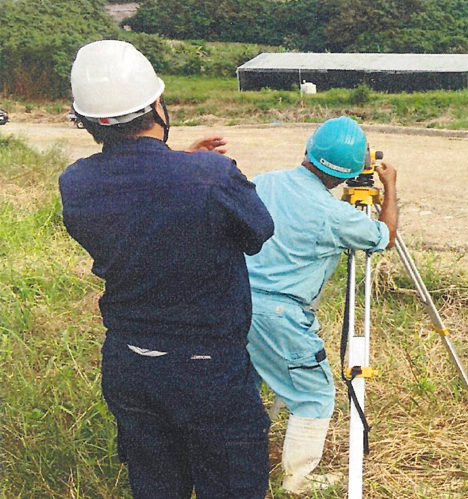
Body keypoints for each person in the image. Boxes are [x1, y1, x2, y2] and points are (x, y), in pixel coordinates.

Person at [59, 40, 274, 498]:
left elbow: (139, 205)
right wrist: (194, 168)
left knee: (156, 485)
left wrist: (180, 164)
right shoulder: (211, 176)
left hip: (129, 364)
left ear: (86, 121)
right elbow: (258, 232)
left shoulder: (75, 183)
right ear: (157, 104)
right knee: (231, 485)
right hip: (208, 368)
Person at [244, 116, 398, 494]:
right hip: (280, 316)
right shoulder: (334, 215)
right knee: (313, 394)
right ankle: (298, 480)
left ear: (309, 150)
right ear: (350, 172)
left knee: (244, 385)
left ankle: (239, 463)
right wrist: (391, 188)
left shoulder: (264, 182)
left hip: (234, 302)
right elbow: (385, 237)